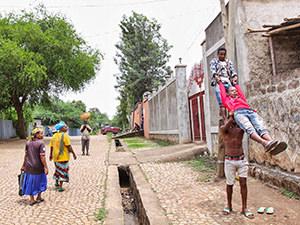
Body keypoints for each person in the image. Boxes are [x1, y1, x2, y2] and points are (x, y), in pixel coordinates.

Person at [216, 76, 287, 155]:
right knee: (249, 128)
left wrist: (235, 84)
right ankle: (264, 143)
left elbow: (240, 92)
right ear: (228, 93)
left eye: (235, 91)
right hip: (238, 113)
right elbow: (222, 93)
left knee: (261, 126)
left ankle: (271, 142)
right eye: (232, 91)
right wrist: (220, 83)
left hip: (250, 111)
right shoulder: (227, 100)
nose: (235, 92)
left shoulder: (241, 98)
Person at [221, 111, 254, 219]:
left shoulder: (240, 129)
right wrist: (231, 117)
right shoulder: (225, 129)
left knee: (243, 183)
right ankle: (229, 205)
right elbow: (224, 126)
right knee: (229, 184)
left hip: (241, 159)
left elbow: (249, 126)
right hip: (229, 161)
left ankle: (244, 208)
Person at [21, 128, 48, 206]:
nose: (42, 135)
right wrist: (46, 167)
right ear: (37, 135)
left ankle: (32, 199)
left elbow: (26, 155)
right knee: (41, 181)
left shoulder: (28, 143)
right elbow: (42, 156)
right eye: (41, 133)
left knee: (31, 183)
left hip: (29, 167)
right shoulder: (41, 143)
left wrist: (23, 165)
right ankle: (39, 196)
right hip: (38, 167)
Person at [210, 48, 238, 120]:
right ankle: (225, 119)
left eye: (224, 54)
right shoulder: (214, 61)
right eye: (221, 54)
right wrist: (216, 77)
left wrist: (235, 76)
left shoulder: (228, 62)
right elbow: (213, 70)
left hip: (228, 82)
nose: (223, 56)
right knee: (222, 102)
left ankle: (233, 117)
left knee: (232, 99)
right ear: (218, 54)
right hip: (219, 83)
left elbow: (232, 70)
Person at [49, 121, 77, 192]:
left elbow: (51, 146)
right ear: (61, 128)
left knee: (57, 169)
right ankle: (60, 187)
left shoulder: (54, 136)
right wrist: (73, 153)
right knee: (63, 170)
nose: (66, 128)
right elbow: (69, 146)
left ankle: (56, 182)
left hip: (56, 157)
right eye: (65, 127)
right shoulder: (65, 136)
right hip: (63, 157)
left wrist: (50, 155)